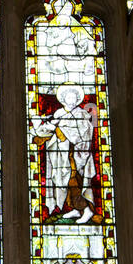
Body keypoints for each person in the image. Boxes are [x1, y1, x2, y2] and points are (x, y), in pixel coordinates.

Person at [32, 84, 97, 221]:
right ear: (64, 99)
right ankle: (75, 208)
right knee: (63, 181)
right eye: (69, 97)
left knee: (73, 180)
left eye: (74, 97)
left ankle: (86, 210)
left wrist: (59, 128)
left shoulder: (81, 114)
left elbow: (85, 133)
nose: (72, 100)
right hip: (61, 155)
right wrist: (42, 126)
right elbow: (53, 129)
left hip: (76, 154)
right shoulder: (59, 114)